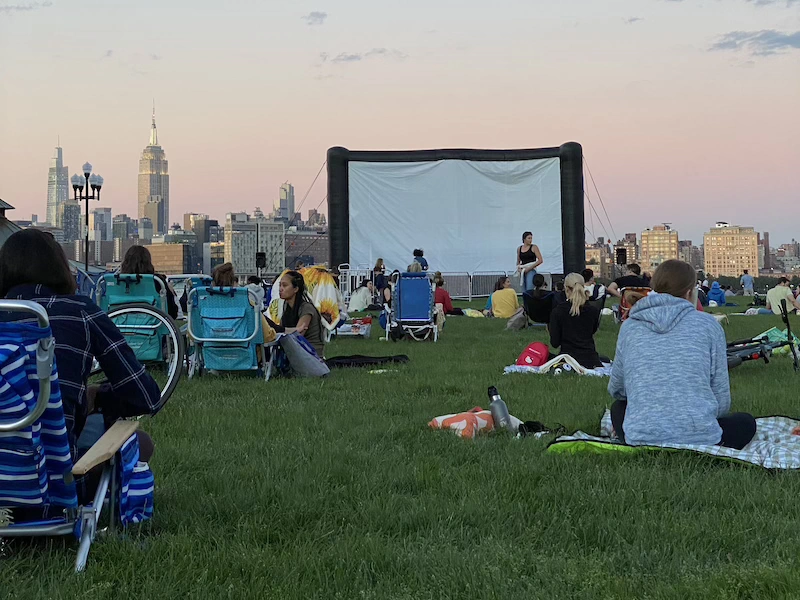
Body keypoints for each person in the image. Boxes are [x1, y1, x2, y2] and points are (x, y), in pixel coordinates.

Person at [0, 229, 161, 474]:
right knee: (141, 443)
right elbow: (145, 396)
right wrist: (96, 395)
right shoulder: (80, 312)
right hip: (55, 479)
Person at [608, 259, 756, 449]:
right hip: (701, 437)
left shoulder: (630, 326)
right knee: (745, 422)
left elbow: (617, 389)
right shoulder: (708, 325)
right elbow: (721, 400)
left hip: (641, 437)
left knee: (618, 408)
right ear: (690, 291)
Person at [549, 273, 603, 368]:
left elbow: (555, 343)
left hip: (568, 359)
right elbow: (593, 331)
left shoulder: (558, 311)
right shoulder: (593, 310)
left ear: (566, 288)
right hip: (591, 359)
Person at [213, 263, 275, 343]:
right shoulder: (247, 304)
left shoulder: (204, 304)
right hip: (244, 353)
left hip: (211, 353)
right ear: (234, 282)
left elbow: (194, 335)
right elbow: (267, 336)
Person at [119, 245, 179, 319]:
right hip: (153, 326)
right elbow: (172, 313)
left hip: (120, 324)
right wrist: (171, 293)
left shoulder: (116, 282)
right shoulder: (157, 281)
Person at [277, 270, 325, 358]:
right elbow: (281, 329)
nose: (280, 289)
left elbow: (298, 337)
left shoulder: (306, 308)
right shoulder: (286, 306)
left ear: (296, 289)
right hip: (297, 351)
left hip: (311, 353)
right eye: (280, 285)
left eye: (284, 285)